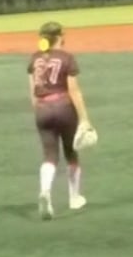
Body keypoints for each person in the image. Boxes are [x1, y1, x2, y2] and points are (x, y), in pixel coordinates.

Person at [28, 21, 92, 219]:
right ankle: (74, 198)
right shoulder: (67, 58)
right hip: (64, 107)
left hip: (42, 109)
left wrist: (40, 111)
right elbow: (74, 90)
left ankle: (45, 191)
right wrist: (84, 119)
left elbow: (33, 92)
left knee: (49, 155)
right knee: (71, 152)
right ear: (58, 37)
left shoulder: (35, 58)